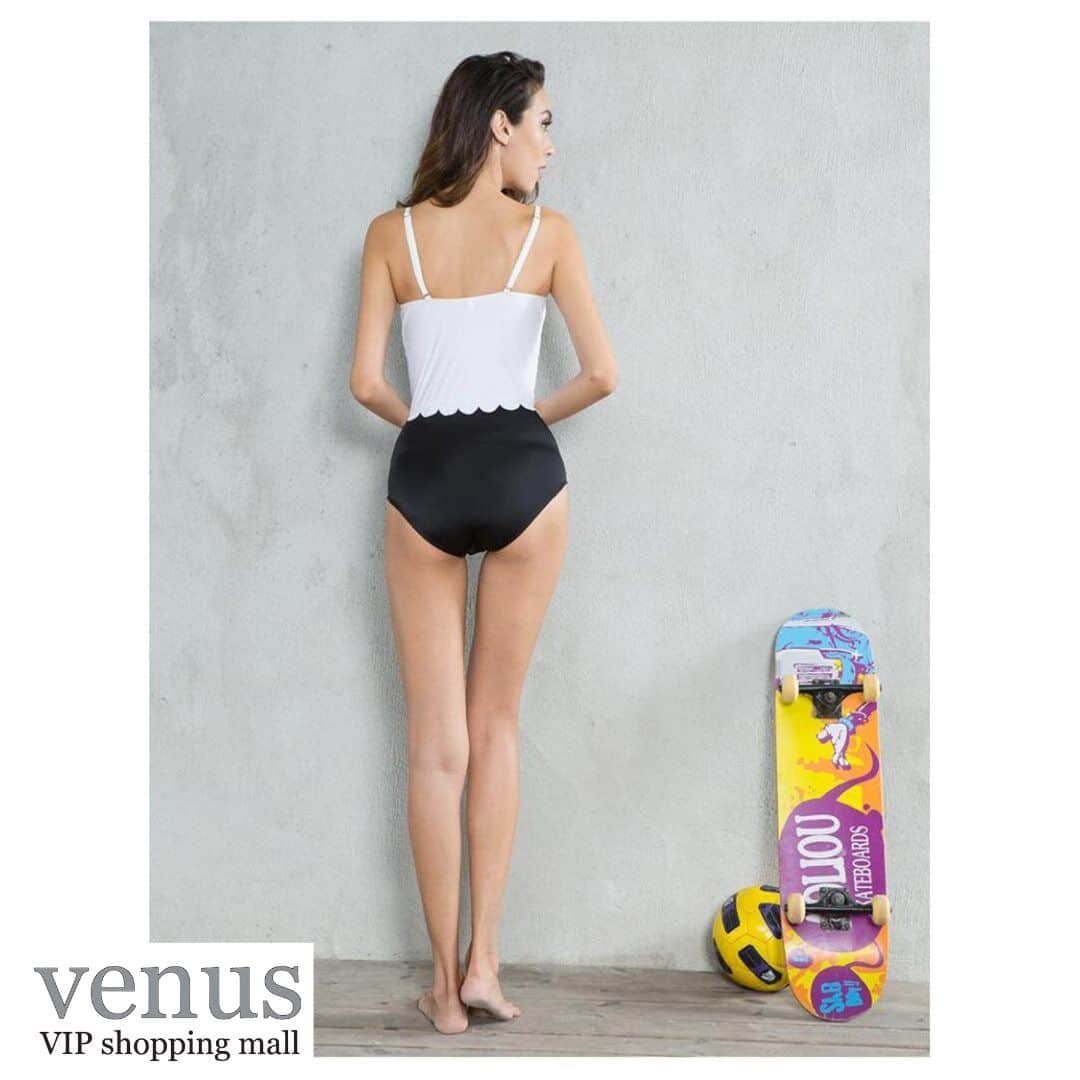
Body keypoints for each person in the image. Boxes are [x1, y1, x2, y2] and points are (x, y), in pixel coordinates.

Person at [349, 50, 618, 1035]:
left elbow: (365, 384)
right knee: (496, 724)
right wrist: (518, 428)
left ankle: (439, 989)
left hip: (423, 473)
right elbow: (601, 373)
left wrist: (432, 432)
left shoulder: (391, 236)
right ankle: (484, 967)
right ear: (499, 125)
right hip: (523, 474)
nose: (550, 146)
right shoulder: (549, 235)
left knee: (435, 744)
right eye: (543, 123)